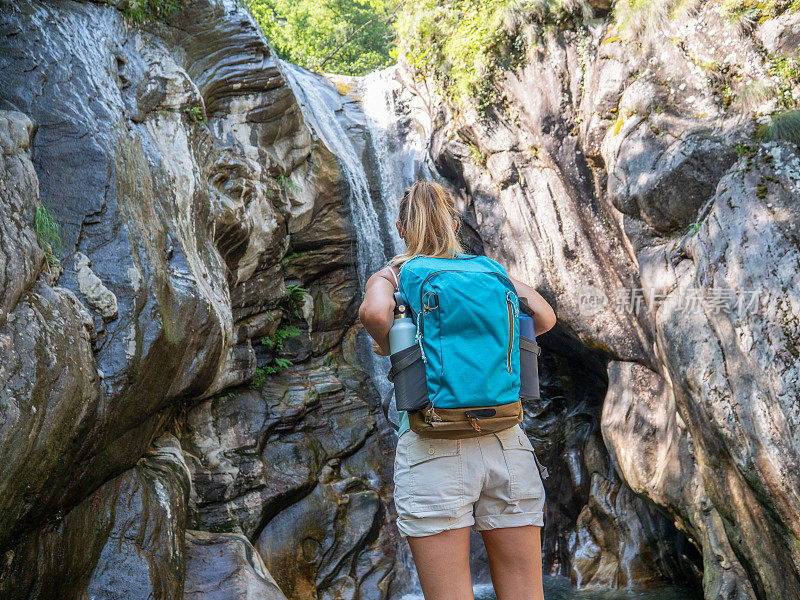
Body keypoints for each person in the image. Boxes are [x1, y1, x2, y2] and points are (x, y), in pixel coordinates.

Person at [358, 181, 557, 600]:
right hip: (506, 442)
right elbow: (544, 316)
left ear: (399, 227)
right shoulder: (487, 270)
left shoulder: (394, 274)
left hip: (433, 446)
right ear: (453, 223)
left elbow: (376, 311)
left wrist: (391, 343)